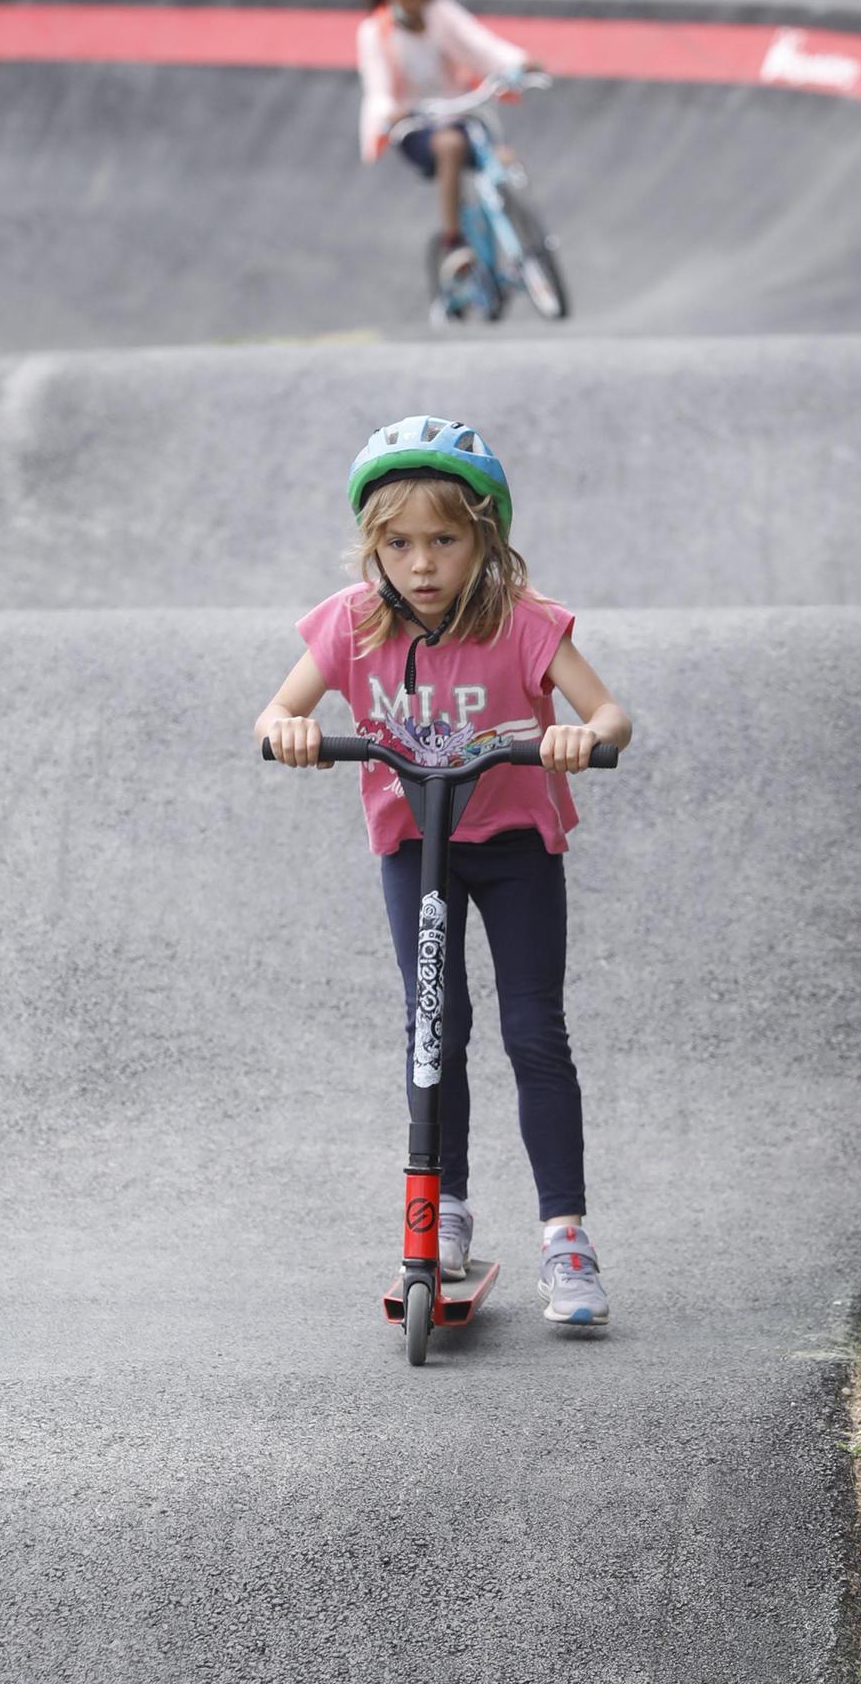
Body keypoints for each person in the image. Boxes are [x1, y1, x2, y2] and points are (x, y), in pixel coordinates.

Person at [255, 415, 632, 1326]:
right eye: (397, 543)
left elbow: (612, 713)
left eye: (443, 540)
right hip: (413, 849)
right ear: (372, 548)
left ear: (483, 539)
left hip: (512, 850)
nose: (420, 563)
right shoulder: (351, 625)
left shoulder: (525, 625)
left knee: (534, 1031)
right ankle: (444, 1211)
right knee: (436, 1025)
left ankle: (565, 1238)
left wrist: (582, 736)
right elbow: (273, 712)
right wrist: (292, 731)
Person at [357, 0, 542, 281]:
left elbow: (482, 45)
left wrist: (518, 63)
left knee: (493, 148)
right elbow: (377, 89)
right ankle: (454, 242)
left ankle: (511, 227)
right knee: (450, 145)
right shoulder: (374, 33)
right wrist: (389, 113)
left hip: (460, 111)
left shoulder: (441, 12)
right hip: (415, 126)